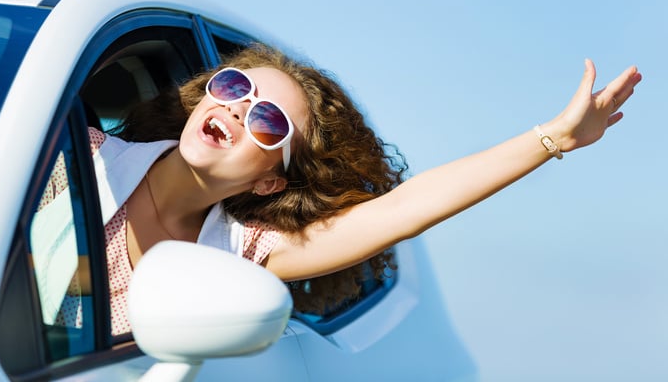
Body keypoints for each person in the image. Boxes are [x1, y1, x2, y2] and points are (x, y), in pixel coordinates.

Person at [54, 44, 641, 335]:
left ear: (269, 180)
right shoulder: (68, 158)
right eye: (232, 87)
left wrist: (554, 139)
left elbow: (406, 209)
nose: (238, 109)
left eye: (266, 122)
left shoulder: (242, 252)